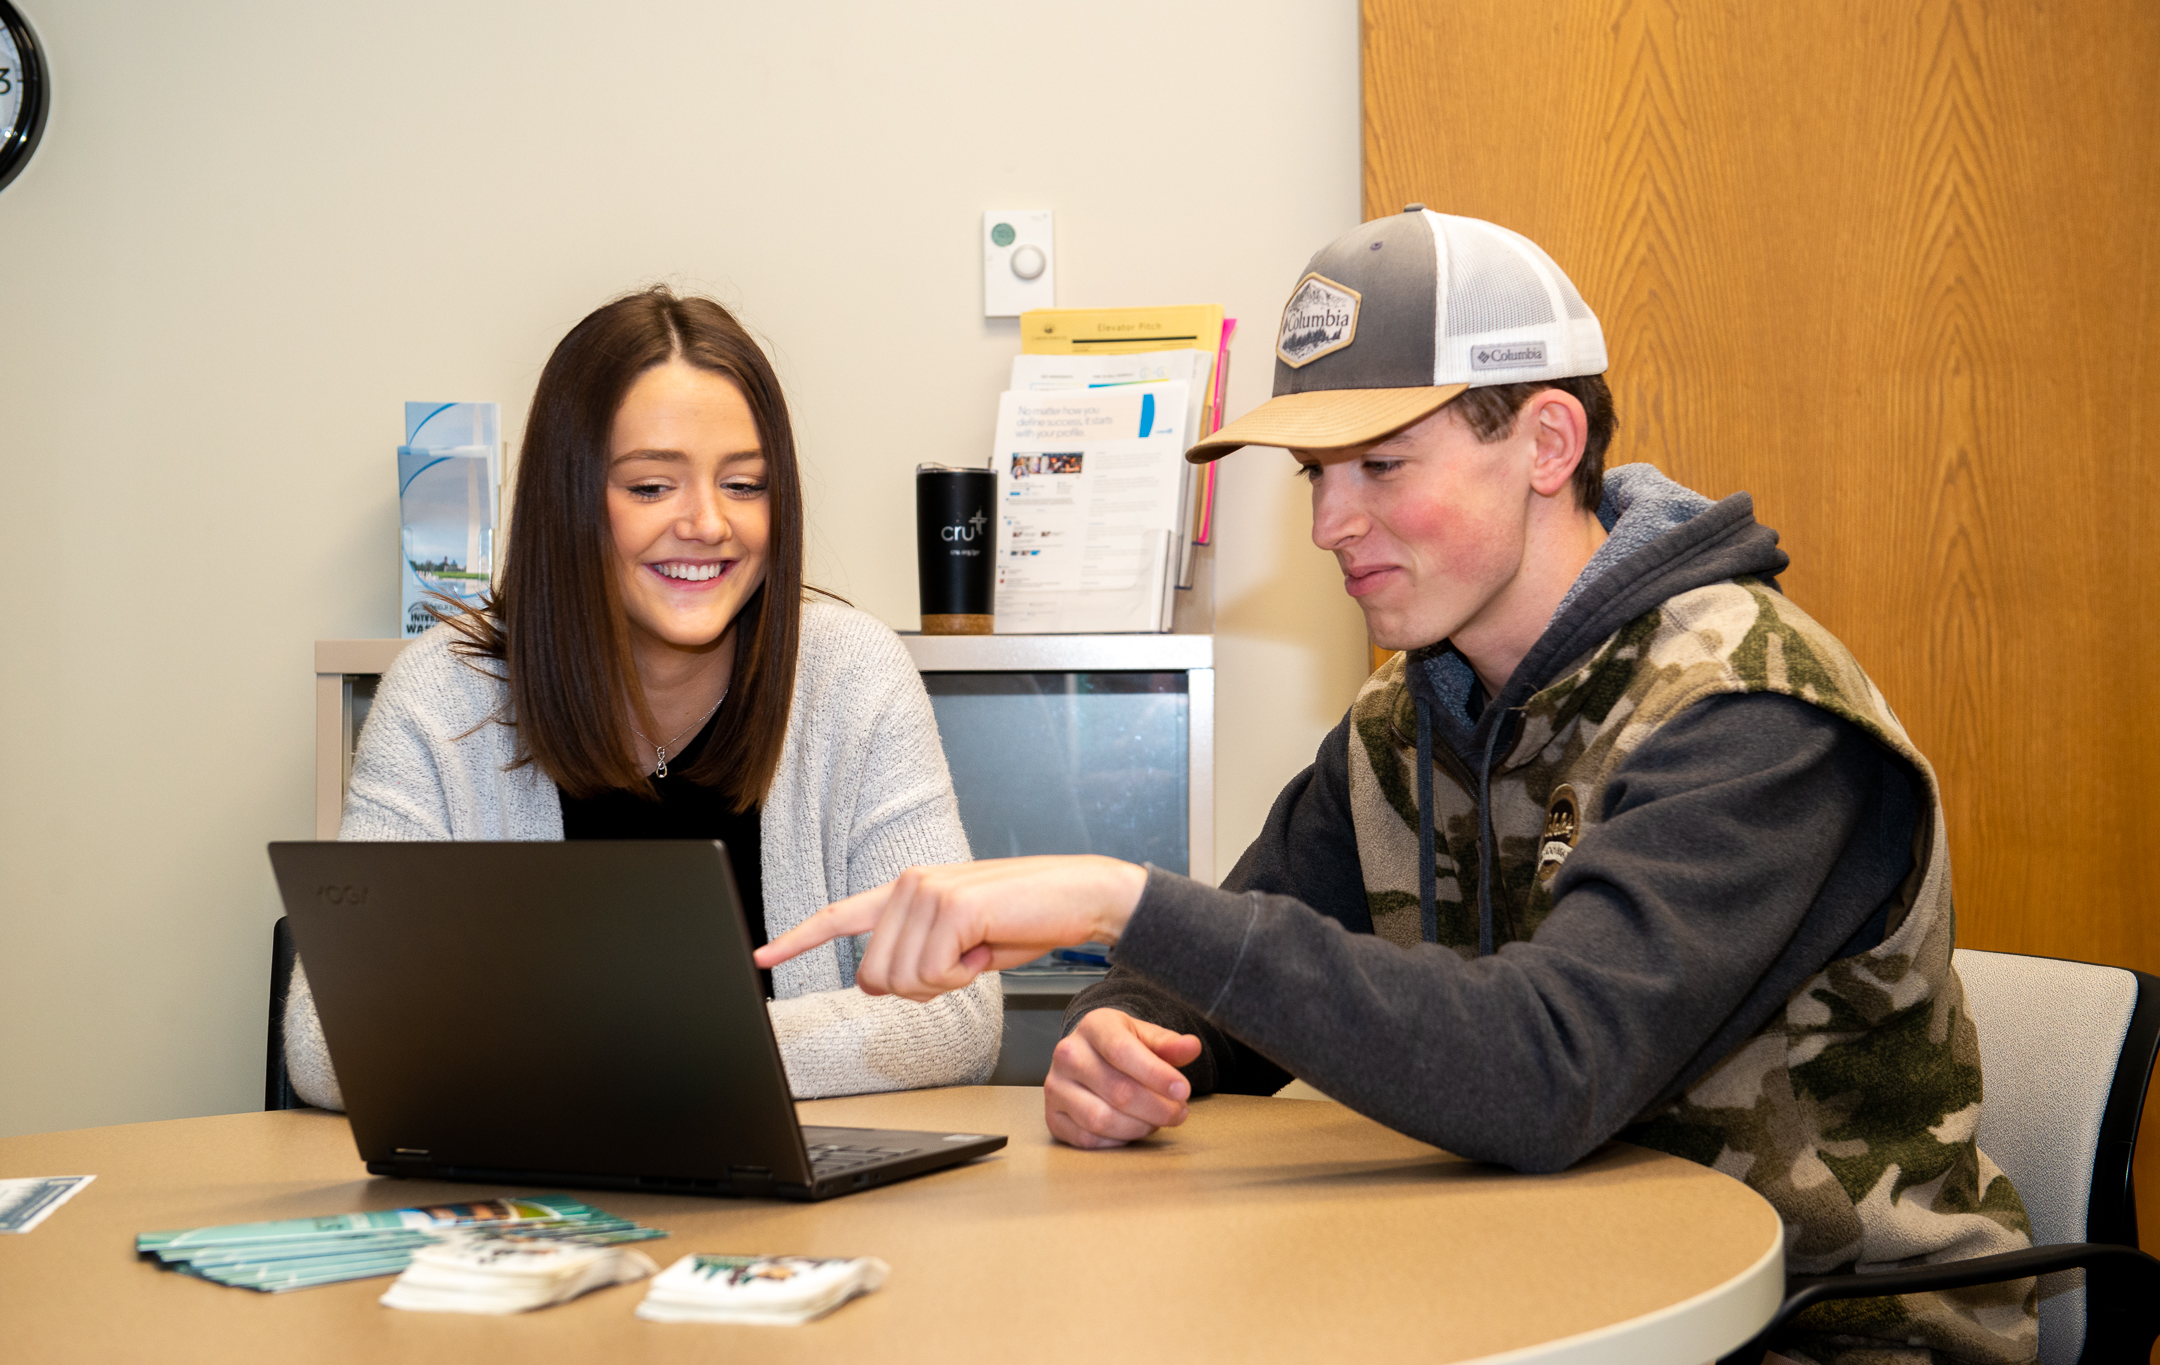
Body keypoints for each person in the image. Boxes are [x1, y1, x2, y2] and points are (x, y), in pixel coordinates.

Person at [760, 210, 2037, 1364]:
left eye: (1381, 464)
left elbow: (1543, 1069)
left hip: (1826, 1330)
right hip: (1546, 1285)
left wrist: (1115, 892)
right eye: (1318, 475)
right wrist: (1128, 1041)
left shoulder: (1755, 711)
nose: (1327, 522)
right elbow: (1216, 980)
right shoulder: (1408, 716)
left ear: (1547, 439)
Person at [285, 286, 1001, 1107]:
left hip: (806, 1214)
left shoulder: (853, 676)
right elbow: (328, 1036)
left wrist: (604, 1048)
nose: (706, 524)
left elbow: (957, 1013)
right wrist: (702, 1049)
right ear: (568, 501)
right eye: (651, 487)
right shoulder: (443, 696)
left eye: (744, 484)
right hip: (534, 1214)